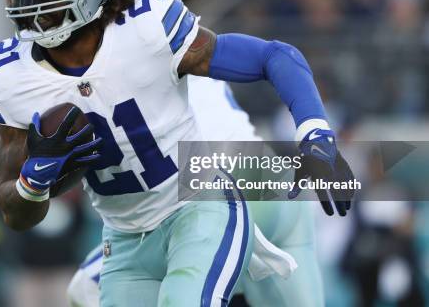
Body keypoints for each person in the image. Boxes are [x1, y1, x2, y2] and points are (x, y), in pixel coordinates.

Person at [0, 0, 354, 306]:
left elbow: (273, 58)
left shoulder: (152, 31)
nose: (31, 1)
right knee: (83, 292)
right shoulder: (8, 76)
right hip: (127, 235)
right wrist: (33, 183)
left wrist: (315, 136)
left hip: (226, 193)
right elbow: (14, 210)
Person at [67, 78, 323, 307]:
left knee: (86, 287)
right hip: (270, 179)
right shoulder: (172, 45)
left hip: (211, 184)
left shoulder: (124, 59)